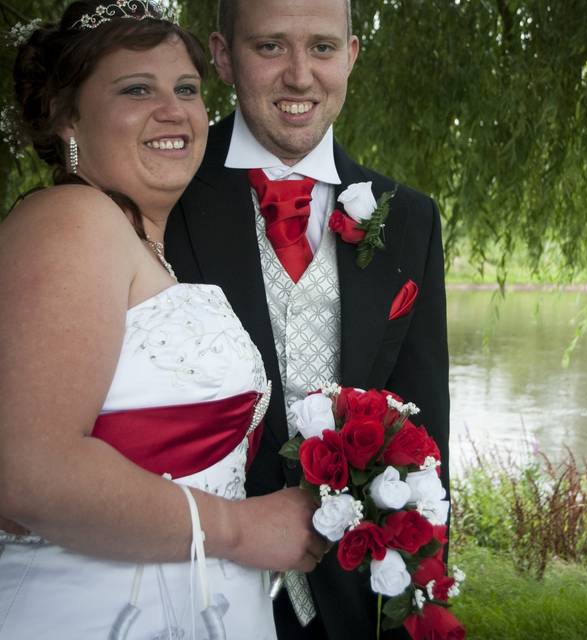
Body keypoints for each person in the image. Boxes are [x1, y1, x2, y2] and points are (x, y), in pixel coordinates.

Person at [0, 2, 328, 637]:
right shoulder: (70, 222)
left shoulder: (138, 243)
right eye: (136, 89)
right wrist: (242, 528)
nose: (174, 109)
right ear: (67, 116)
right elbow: (27, 474)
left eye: (186, 88)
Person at [164, 0, 450, 638]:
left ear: (349, 57)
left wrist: (418, 609)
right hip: (196, 584)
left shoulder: (409, 220)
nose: (299, 75)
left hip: (347, 598)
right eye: (270, 47)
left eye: (321, 48)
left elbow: (427, 436)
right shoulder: (164, 194)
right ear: (222, 56)